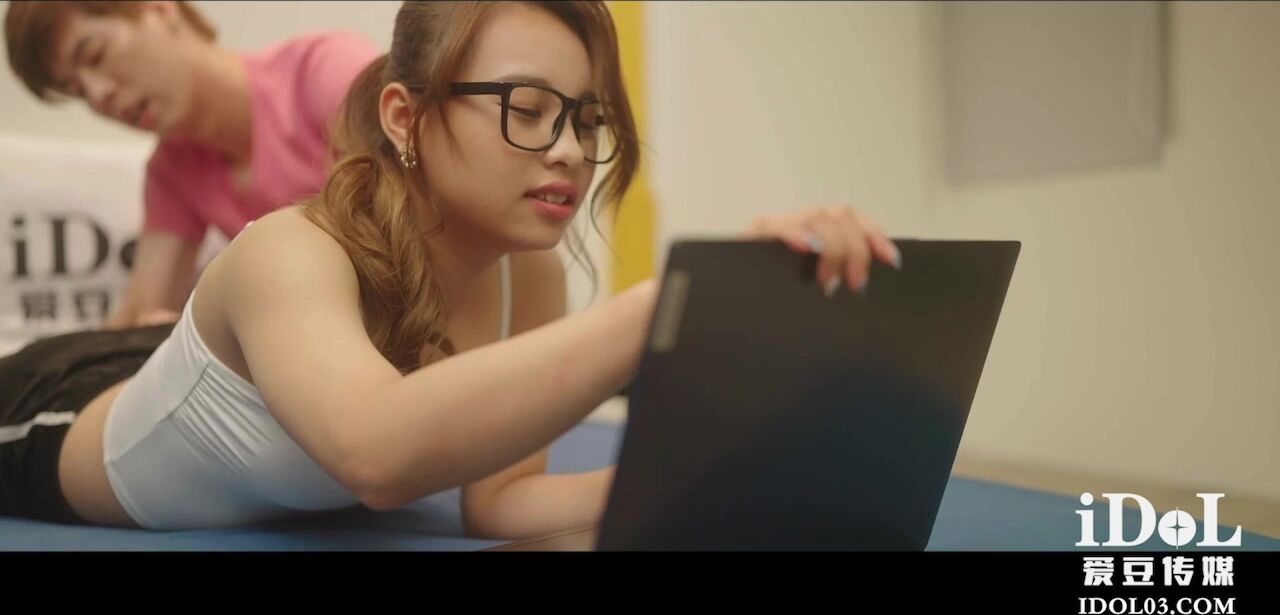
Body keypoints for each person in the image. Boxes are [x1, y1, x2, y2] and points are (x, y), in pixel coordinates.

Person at [0, 0, 902, 540]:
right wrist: (675, 302)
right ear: (404, 117)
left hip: (259, 366)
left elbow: (501, 501)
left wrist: (720, 478)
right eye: (527, 108)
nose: (567, 149)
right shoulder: (285, 249)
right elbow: (377, 454)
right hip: (60, 408)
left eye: (586, 118)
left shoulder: (528, 274)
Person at [4, 1, 380, 328]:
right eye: (78, 90)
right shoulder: (173, 168)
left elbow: (402, 209)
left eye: (94, 55)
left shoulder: (324, 69)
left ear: (159, 10)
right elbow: (140, 315)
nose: (99, 95)